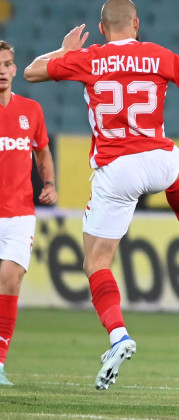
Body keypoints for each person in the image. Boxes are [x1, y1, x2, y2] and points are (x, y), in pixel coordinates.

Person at [24, 0, 179, 390]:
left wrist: (66, 51)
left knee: (96, 261)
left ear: (101, 29)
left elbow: (31, 73)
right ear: (136, 24)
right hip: (160, 159)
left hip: (116, 171)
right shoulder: (158, 55)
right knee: (174, 171)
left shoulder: (90, 58)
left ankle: (118, 335)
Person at [0, 40, 59, 386]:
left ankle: (0, 362)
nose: (1, 71)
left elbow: (42, 153)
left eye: (7, 64)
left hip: (20, 213)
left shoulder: (31, 111)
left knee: (10, 279)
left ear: (13, 68)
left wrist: (49, 182)